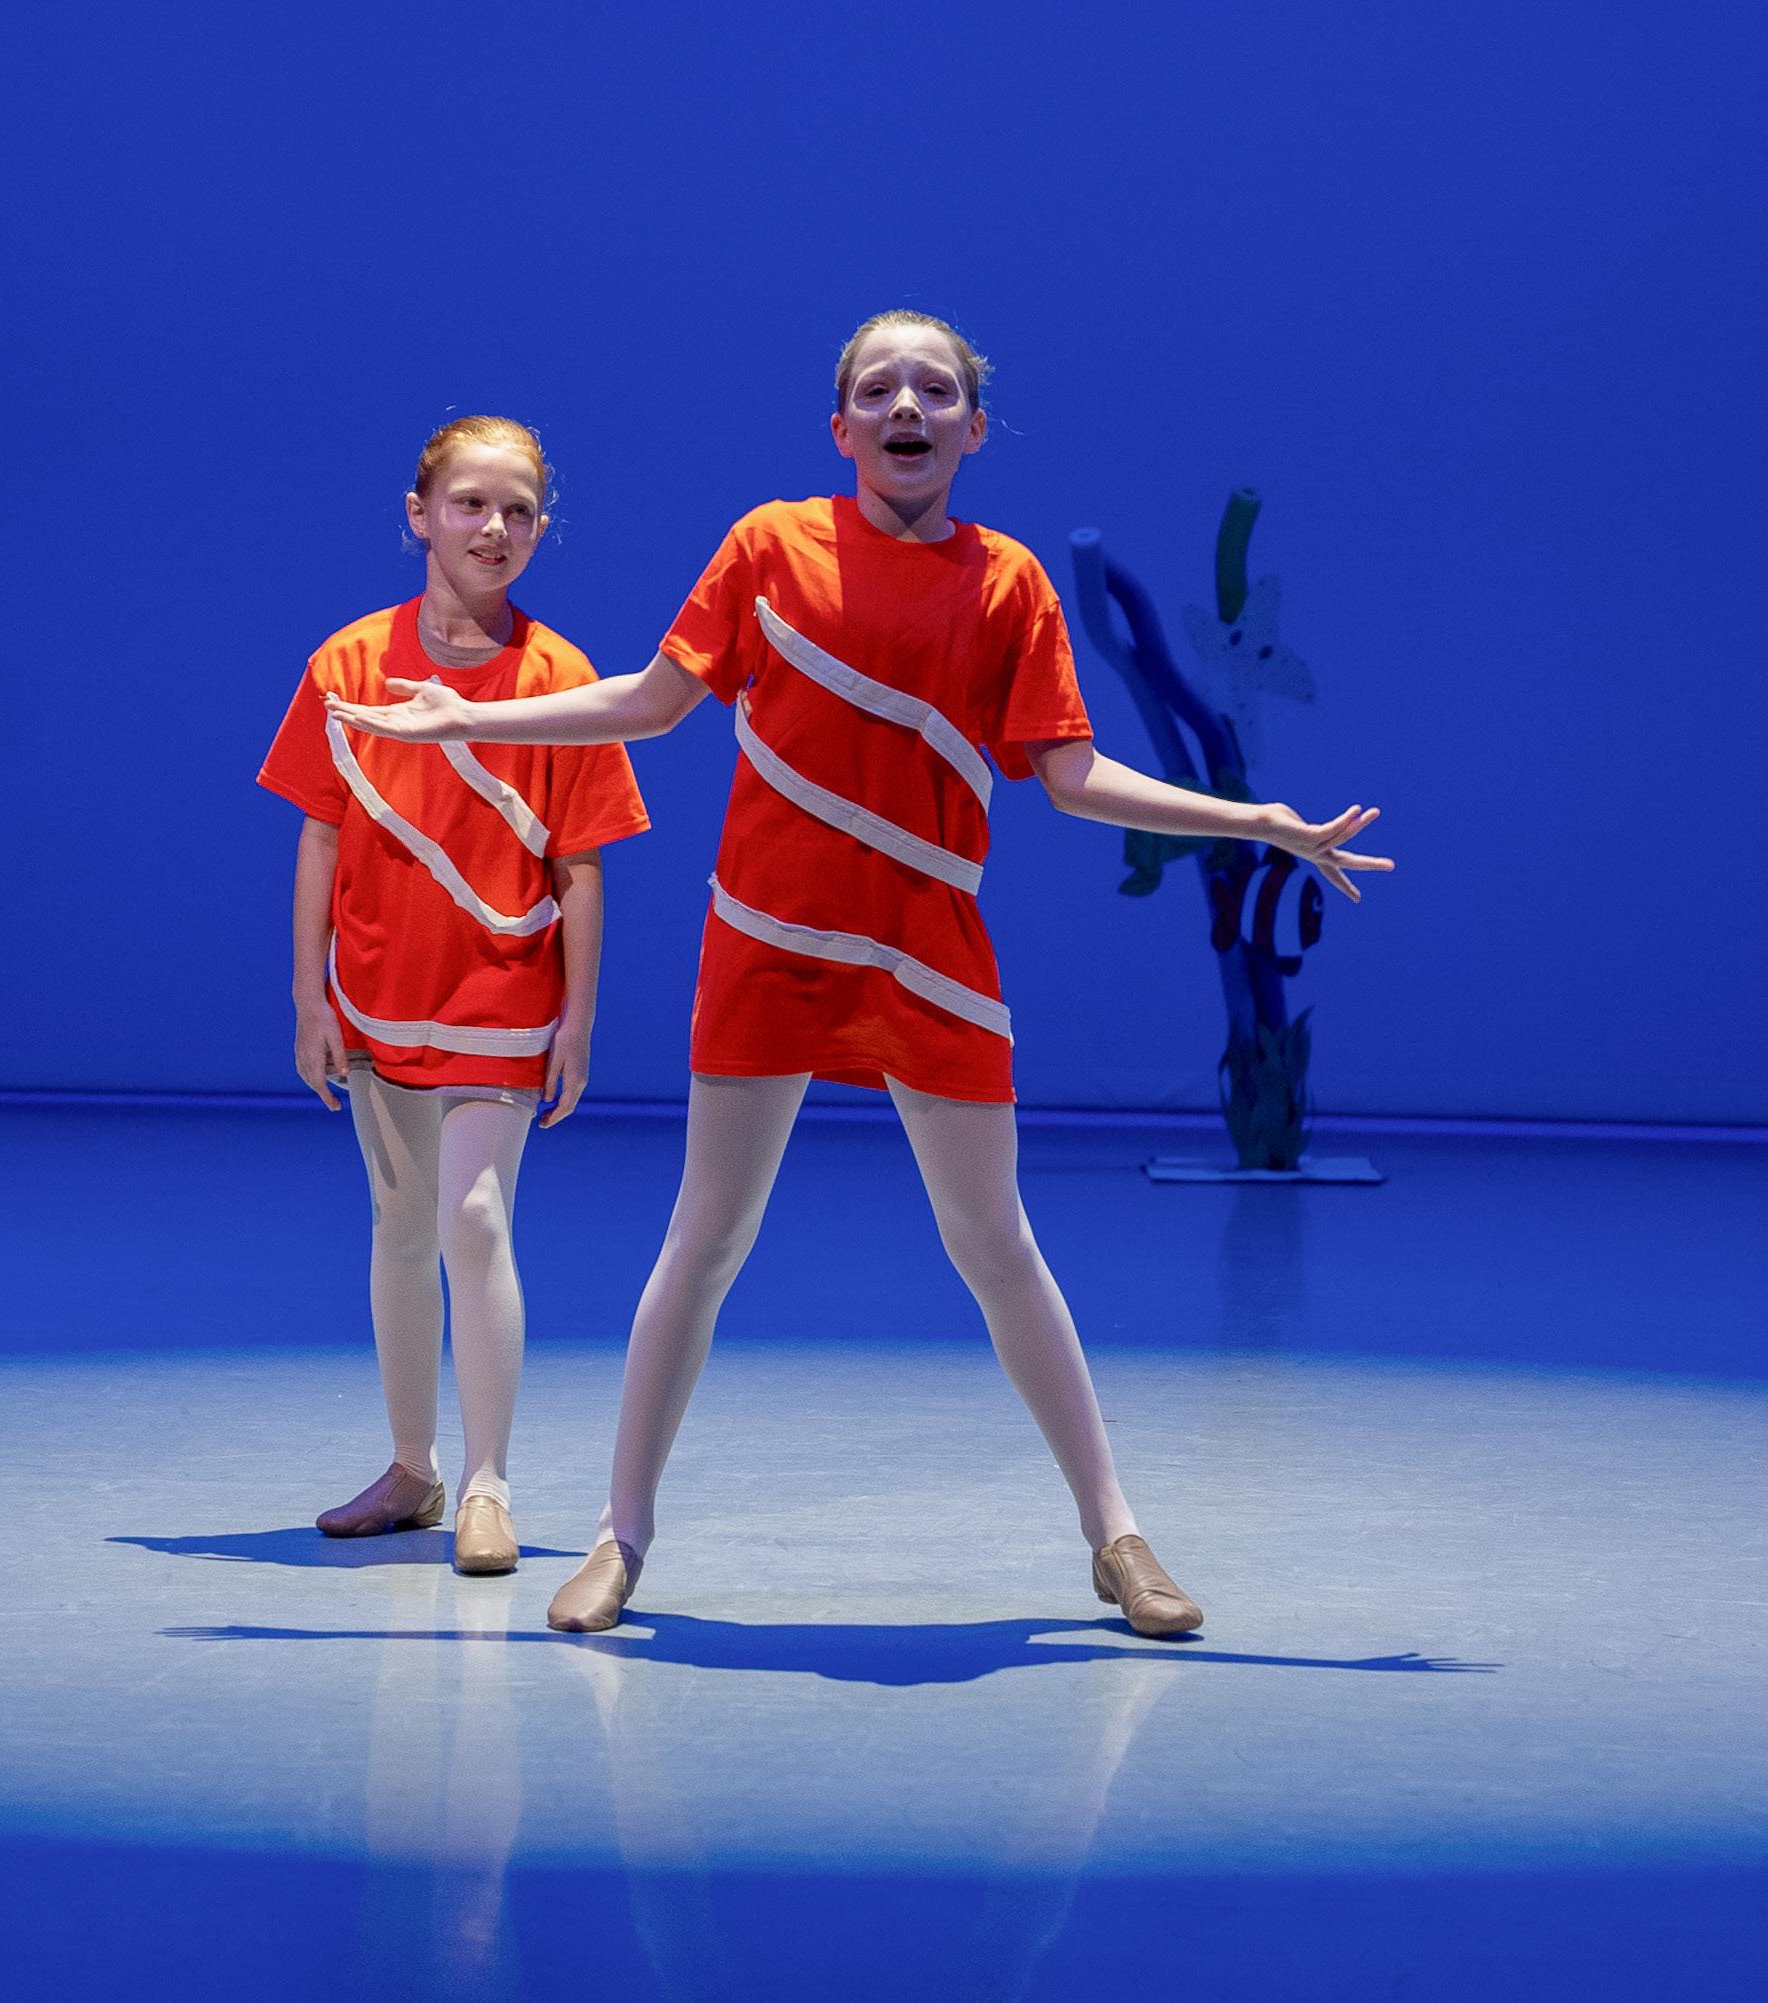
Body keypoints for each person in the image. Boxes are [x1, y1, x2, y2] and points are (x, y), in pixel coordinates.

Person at [324, 315, 1392, 1632]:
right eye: (879, 389)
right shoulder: (771, 546)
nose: (906, 407)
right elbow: (651, 701)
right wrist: (470, 717)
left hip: (928, 956)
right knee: (705, 1241)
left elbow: (1070, 775)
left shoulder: (1008, 583)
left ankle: (1115, 1534)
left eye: (934, 390)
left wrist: (1257, 819)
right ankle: (621, 1537)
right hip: (766, 944)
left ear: (973, 429)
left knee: (996, 1243)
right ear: (841, 427)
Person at [259, 415, 649, 1575]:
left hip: (504, 990)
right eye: (472, 503)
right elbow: (320, 836)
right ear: (419, 515)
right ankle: (412, 1468)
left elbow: (582, 863)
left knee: (472, 1219)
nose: (494, 527)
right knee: (399, 1223)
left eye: (519, 509)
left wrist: (579, 1017)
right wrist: (309, 996)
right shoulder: (345, 664)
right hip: (378, 992)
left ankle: (487, 1481)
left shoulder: (562, 680)